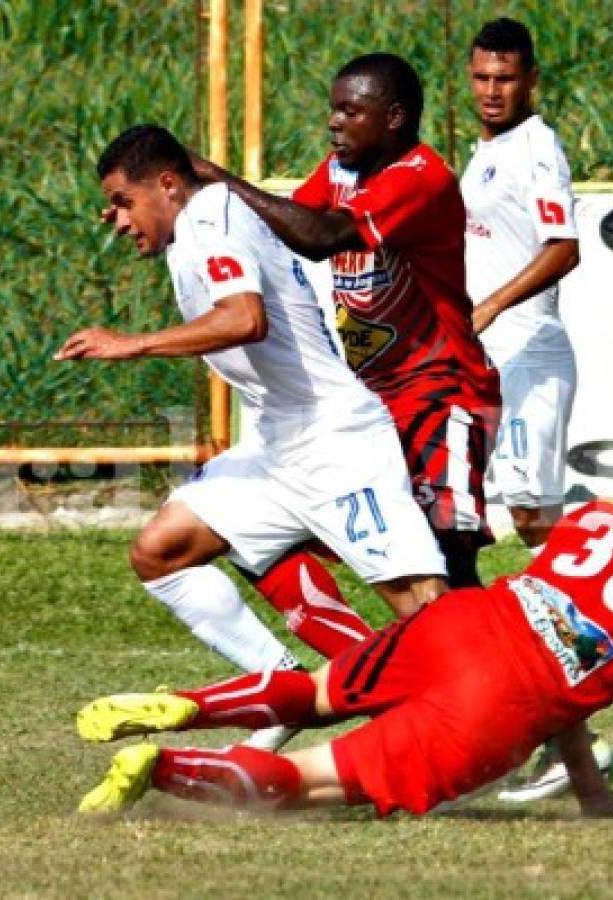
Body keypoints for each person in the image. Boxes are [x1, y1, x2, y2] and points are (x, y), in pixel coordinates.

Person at [75, 442, 613, 820]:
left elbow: (558, 619)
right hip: (504, 703)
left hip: (460, 622)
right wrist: (593, 798)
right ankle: (164, 767)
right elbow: (572, 660)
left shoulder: (594, 519)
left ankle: (191, 702)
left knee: (311, 693)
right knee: (299, 782)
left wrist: (591, 792)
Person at [57, 124, 449, 748]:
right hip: (275, 447)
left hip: (334, 442)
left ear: (167, 185)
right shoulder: (193, 225)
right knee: (162, 551)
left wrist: (131, 344)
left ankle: (538, 733)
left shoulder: (211, 215)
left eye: (125, 201)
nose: (119, 220)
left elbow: (245, 318)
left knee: (425, 608)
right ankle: (283, 688)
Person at [186, 53, 501, 665]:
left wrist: (219, 178)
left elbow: (321, 235)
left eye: (350, 111)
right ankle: (371, 671)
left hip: (442, 393)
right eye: (334, 108)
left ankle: (544, 716)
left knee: (447, 557)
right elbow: (283, 225)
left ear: (395, 118)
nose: (333, 123)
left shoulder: (421, 176)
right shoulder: (340, 170)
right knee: (274, 529)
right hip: (370, 400)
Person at [459, 17, 598, 803]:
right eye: (480, 77)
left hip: (527, 360)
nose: (490, 91)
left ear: (530, 80)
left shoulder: (536, 146)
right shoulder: (487, 151)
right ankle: (556, 684)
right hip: (490, 361)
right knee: (503, 520)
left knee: (534, 524)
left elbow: (562, 247)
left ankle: (583, 653)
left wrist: (488, 307)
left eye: (504, 79)